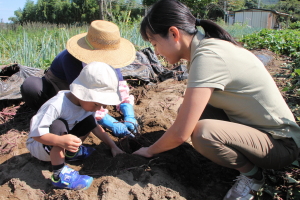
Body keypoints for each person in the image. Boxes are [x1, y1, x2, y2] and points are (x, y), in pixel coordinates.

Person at [132, 0, 300, 199]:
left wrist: (150, 150)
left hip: (280, 145)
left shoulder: (208, 56)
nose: (157, 52)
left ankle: (252, 177)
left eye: (155, 44)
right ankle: (234, 161)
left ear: (174, 34)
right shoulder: (206, 48)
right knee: (189, 113)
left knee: (203, 133)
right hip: (261, 133)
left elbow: (180, 133)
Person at [21, 20, 138, 138]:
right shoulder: (71, 60)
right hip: (61, 87)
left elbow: (120, 86)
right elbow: (85, 96)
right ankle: (50, 115)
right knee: (31, 87)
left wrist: (128, 112)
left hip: (88, 95)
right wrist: (111, 123)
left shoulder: (111, 60)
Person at [26, 62, 125, 190]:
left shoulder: (86, 105)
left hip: (61, 140)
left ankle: (71, 153)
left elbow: (95, 127)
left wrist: (113, 146)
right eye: (96, 104)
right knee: (58, 125)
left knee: (89, 121)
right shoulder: (57, 105)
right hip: (40, 146)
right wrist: (60, 141)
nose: (99, 108)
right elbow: (36, 133)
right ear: (82, 93)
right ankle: (59, 175)